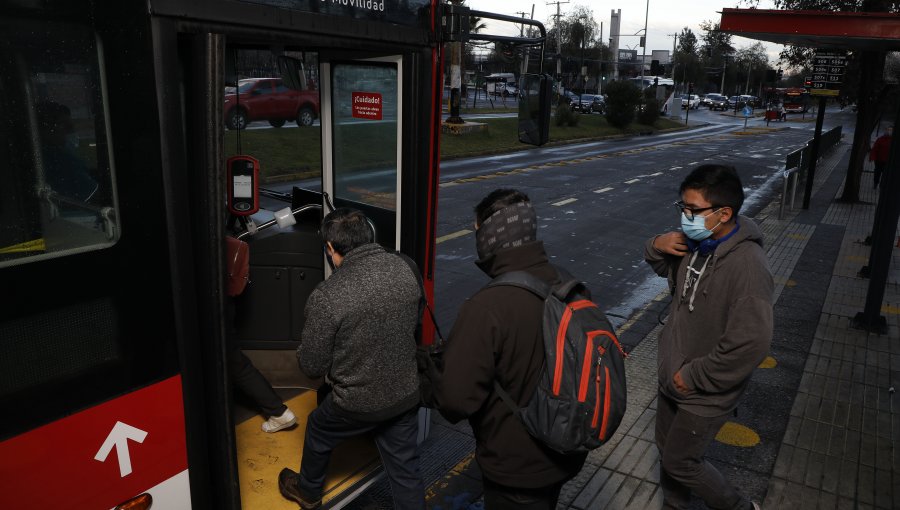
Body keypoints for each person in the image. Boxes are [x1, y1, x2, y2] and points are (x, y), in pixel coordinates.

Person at [434, 189, 587, 510]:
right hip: (565, 448)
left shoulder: (487, 307)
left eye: (477, 232)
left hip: (516, 468)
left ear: (491, 236)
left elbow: (455, 401)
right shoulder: (567, 282)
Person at [644, 165, 772, 510]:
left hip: (703, 390)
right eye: (682, 208)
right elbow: (663, 266)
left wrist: (693, 375)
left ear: (724, 213)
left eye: (693, 210)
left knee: (682, 462)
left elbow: (751, 342)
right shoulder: (700, 243)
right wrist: (656, 244)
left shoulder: (748, 267)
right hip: (673, 373)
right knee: (666, 451)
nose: (685, 217)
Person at [278, 208, 424, 510]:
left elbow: (312, 366)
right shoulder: (406, 266)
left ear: (331, 248)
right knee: (406, 473)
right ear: (369, 236)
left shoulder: (328, 295)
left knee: (319, 427)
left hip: (357, 403)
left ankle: (308, 491)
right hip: (405, 393)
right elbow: (414, 322)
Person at [225, 235, 296, 433]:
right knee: (235, 362)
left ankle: (279, 412)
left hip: (210, 303)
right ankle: (278, 411)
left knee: (234, 363)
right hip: (224, 301)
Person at [35, 100, 99, 202]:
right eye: (66, 127)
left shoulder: (42, 156)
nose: (72, 132)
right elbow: (93, 195)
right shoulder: (60, 161)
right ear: (47, 128)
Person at [869, 125, 892, 189]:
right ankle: (875, 183)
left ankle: (882, 185)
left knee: (885, 174)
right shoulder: (880, 139)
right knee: (877, 172)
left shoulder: (893, 141)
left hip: (887, 161)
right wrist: (873, 157)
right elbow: (875, 149)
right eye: (888, 130)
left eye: (890, 130)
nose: (889, 132)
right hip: (879, 160)